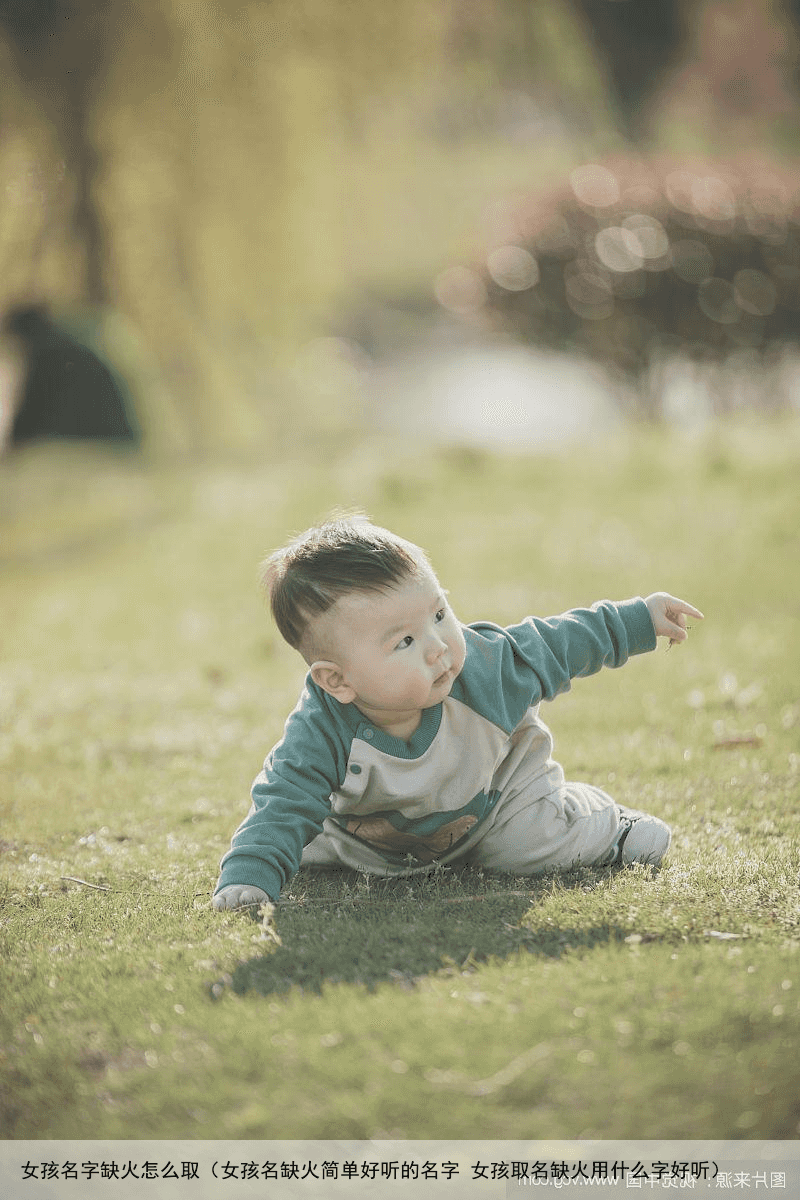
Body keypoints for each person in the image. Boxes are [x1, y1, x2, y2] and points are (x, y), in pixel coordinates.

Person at [213, 516, 703, 910]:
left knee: (526, 848)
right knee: (298, 837)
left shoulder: (487, 669)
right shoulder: (321, 730)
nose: (438, 647)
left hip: (497, 798)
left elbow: (560, 643)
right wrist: (248, 878)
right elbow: (284, 797)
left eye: (440, 615)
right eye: (404, 640)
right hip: (370, 840)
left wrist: (638, 619)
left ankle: (608, 824)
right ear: (336, 681)